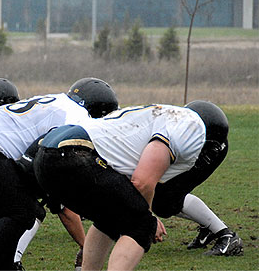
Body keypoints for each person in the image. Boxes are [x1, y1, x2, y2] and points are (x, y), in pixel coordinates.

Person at [0, 77, 118, 270]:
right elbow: (40, 152)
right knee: (22, 210)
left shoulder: (57, 101)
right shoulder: (78, 117)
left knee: (15, 209)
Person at [32, 101, 240, 270]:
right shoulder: (191, 129)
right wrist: (148, 216)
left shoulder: (162, 115)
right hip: (75, 154)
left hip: (47, 153)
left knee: (110, 217)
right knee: (141, 225)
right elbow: (142, 181)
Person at [151, 102, 243, 256]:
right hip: (185, 142)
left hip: (209, 144)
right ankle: (209, 228)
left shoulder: (206, 143)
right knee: (162, 198)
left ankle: (226, 236)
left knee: (166, 198)